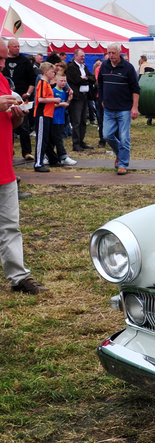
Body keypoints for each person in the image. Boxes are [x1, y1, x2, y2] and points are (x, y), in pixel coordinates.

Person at [0, 40, 48, 294]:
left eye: (4, 59)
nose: (3, 64)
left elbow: (10, 124)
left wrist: (18, 116)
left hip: (5, 166)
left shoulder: (3, 81)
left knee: (10, 225)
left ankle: (18, 277)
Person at [97, 42, 140, 176]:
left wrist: (135, 107)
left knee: (123, 137)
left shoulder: (128, 68)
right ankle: (119, 154)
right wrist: (102, 99)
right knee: (107, 135)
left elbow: (135, 89)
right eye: (109, 53)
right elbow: (100, 84)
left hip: (124, 109)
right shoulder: (104, 65)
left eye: (113, 53)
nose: (111, 56)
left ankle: (123, 164)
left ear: (119, 52)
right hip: (109, 108)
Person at [3, 38, 36, 161]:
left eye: (18, 46)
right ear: (9, 47)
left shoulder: (24, 61)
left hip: (22, 97)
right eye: (15, 46)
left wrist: (28, 93)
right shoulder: (4, 60)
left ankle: (26, 152)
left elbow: (32, 80)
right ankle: (9, 153)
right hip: (7, 97)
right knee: (7, 125)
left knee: (24, 124)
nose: (17, 48)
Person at [65, 49, 95, 152]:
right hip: (77, 97)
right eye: (81, 56)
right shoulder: (71, 67)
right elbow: (76, 80)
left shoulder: (84, 66)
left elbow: (93, 78)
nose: (83, 58)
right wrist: (85, 79)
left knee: (83, 120)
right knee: (76, 121)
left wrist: (85, 78)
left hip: (85, 96)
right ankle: (76, 143)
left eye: (84, 56)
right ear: (75, 56)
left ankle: (81, 141)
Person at [32, 62, 60, 172]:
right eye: (52, 71)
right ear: (46, 72)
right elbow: (41, 99)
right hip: (42, 115)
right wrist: (54, 100)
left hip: (47, 114)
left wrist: (54, 102)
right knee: (41, 140)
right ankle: (38, 163)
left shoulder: (47, 83)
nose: (53, 73)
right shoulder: (42, 83)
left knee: (47, 139)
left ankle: (52, 159)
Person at [52, 73, 77, 166]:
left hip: (61, 119)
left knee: (57, 138)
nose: (63, 83)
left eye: (65, 81)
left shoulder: (64, 92)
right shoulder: (53, 91)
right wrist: (62, 104)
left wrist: (69, 99)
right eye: (61, 80)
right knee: (57, 138)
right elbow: (51, 105)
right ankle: (63, 156)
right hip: (54, 119)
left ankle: (51, 156)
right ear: (56, 80)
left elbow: (66, 104)